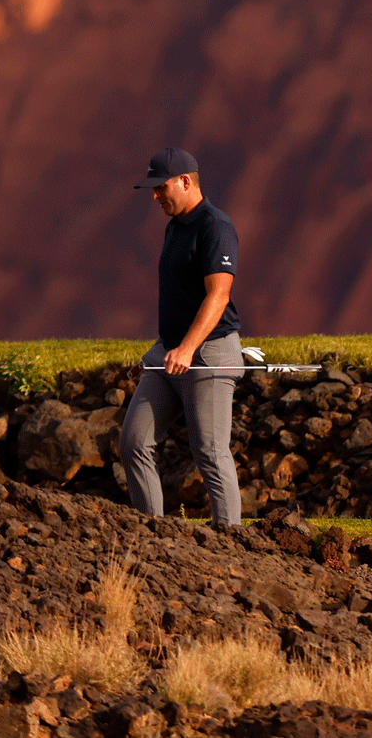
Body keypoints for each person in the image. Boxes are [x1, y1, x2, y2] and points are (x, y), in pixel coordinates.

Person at [117, 147, 246, 525]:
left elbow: (218, 295)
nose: (155, 196)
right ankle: (151, 535)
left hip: (209, 355)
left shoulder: (215, 227)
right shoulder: (175, 226)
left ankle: (232, 542)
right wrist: (158, 353)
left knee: (210, 450)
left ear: (185, 181)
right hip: (170, 353)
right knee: (134, 442)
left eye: (160, 188)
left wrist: (187, 348)